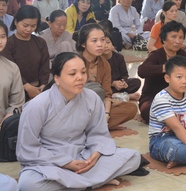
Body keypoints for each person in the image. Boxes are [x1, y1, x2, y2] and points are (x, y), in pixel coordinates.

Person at [16, 52, 142, 191]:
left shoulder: (92, 98)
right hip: (50, 161)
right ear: (57, 78)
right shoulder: (37, 105)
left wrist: (95, 154)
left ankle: (77, 183)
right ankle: (96, 181)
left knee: (134, 158)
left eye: (83, 72)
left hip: (83, 156)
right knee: (28, 185)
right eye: (72, 74)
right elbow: (28, 148)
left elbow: (98, 133)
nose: (80, 78)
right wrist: (65, 163)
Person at [138, 21, 186, 123]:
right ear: (164, 39)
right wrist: (167, 68)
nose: (178, 41)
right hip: (153, 98)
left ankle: (173, 115)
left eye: (181, 38)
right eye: (173, 37)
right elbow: (142, 71)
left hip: (178, 99)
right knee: (147, 111)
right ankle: (181, 115)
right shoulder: (156, 55)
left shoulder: (181, 54)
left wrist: (179, 68)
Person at [76, 24, 137, 130]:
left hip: (97, 106)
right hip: (75, 107)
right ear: (83, 44)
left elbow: (107, 94)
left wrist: (106, 114)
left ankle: (94, 125)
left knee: (131, 109)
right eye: (94, 41)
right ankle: (96, 126)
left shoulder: (105, 64)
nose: (100, 44)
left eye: (103, 40)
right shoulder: (75, 61)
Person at [0, 5, 49, 101]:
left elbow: (44, 66)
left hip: (38, 90)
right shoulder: (7, 43)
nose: (29, 29)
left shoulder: (40, 42)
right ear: (16, 22)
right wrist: (28, 87)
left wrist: (43, 86)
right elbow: (10, 70)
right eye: (25, 25)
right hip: (14, 91)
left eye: (33, 26)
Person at [0, 20, 25, 126]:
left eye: (2, 36)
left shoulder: (12, 68)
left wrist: (4, 123)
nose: (0, 41)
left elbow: (17, 102)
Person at [102, 34, 141, 101]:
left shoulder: (119, 57)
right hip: (107, 85)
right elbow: (100, 79)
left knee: (136, 82)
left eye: (108, 42)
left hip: (118, 85)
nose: (106, 46)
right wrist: (113, 83)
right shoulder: (98, 59)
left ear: (112, 45)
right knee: (100, 89)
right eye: (102, 43)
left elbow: (124, 74)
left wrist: (123, 82)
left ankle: (117, 95)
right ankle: (126, 96)